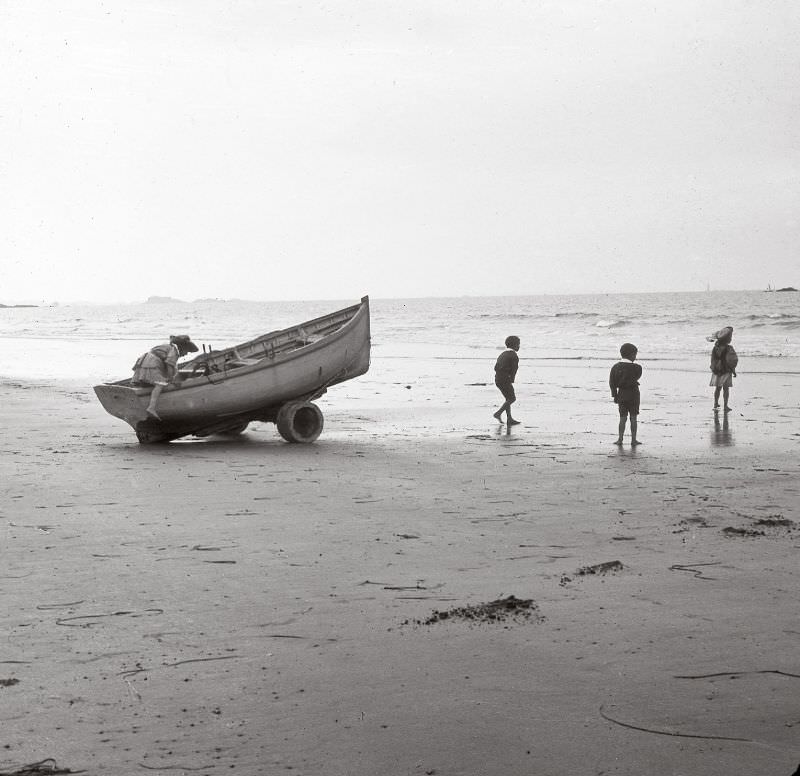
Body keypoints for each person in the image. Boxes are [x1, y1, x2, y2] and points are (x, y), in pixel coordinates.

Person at [131, 334, 199, 420]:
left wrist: (172, 376)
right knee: (160, 383)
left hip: (145, 360)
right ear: (182, 347)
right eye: (186, 351)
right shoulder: (174, 351)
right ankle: (151, 407)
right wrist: (171, 380)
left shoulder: (169, 347)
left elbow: (173, 367)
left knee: (148, 381)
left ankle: (141, 396)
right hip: (152, 363)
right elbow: (169, 365)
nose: (186, 354)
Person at [609, 342, 642, 446]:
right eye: (635, 355)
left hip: (621, 394)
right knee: (633, 418)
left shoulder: (615, 367)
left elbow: (612, 382)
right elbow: (637, 377)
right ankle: (633, 440)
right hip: (633, 394)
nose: (635, 357)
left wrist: (614, 395)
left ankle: (620, 439)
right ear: (632, 354)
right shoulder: (637, 368)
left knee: (622, 418)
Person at [707, 326, 737, 412]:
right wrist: (733, 370)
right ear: (727, 339)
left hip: (717, 370)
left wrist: (713, 367)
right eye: (730, 337)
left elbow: (712, 359)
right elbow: (732, 360)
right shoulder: (729, 348)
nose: (731, 338)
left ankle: (715, 403)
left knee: (718, 388)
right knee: (726, 389)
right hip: (726, 370)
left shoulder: (715, 347)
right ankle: (725, 406)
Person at [493, 335, 521, 425]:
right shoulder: (514, 355)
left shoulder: (502, 354)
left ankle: (509, 418)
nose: (519, 346)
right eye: (518, 345)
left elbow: (495, 367)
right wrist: (511, 379)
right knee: (512, 398)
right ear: (514, 345)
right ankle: (498, 413)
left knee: (507, 398)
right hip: (505, 379)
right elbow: (514, 369)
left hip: (498, 378)